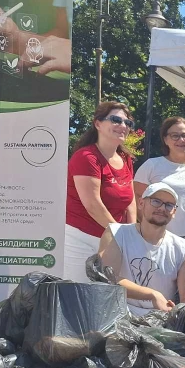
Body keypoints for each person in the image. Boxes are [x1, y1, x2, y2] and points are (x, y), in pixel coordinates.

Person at [65, 102, 136, 282]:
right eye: (116, 120)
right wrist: (121, 236)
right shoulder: (86, 157)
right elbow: (93, 205)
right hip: (81, 239)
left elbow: (130, 199)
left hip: (113, 239)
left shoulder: (125, 158)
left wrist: (131, 233)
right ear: (97, 124)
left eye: (128, 123)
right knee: (80, 298)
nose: (123, 126)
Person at [97, 183, 185, 315]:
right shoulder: (116, 233)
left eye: (169, 205)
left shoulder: (184, 248)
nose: (162, 208)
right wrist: (151, 295)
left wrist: (177, 315)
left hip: (160, 321)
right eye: (156, 201)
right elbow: (107, 279)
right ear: (141, 203)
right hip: (117, 314)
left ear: (174, 212)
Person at [133, 117, 185, 255]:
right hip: (159, 237)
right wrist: (150, 231)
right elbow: (137, 202)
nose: (181, 140)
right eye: (175, 136)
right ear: (166, 140)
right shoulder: (152, 165)